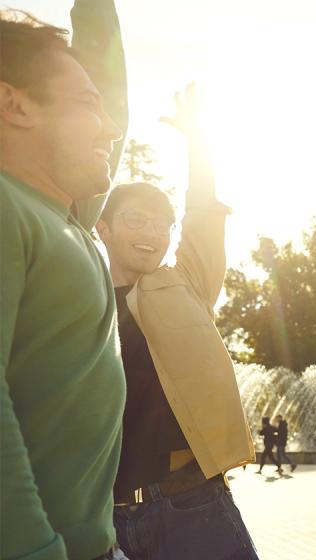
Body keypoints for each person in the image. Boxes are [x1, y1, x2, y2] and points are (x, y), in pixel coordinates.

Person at [96, 83, 258, 559]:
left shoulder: (184, 282)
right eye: (135, 220)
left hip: (193, 507)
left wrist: (196, 141)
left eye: (162, 224)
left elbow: (203, 215)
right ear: (102, 228)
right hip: (106, 520)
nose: (153, 233)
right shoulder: (80, 301)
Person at [0, 2, 129, 559]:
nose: (111, 128)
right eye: (86, 105)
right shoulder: (9, 208)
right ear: (14, 104)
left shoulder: (67, 216)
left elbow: (112, 104)